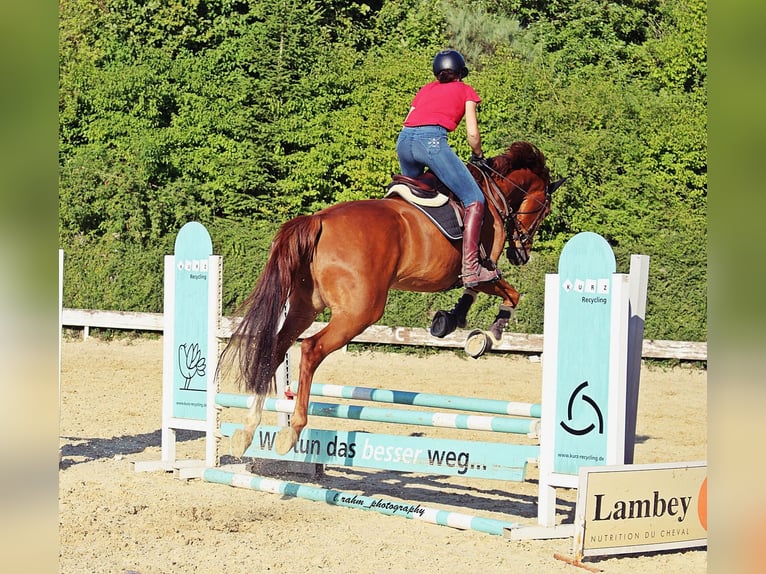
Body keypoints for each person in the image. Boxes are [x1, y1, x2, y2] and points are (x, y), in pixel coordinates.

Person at [396, 49, 500, 288]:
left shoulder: (425, 90)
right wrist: (479, 155)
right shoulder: (466, 90)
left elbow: (409, 119)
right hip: (432, 142)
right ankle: (471, 268)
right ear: (460, 73)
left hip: (403, 141)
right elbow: (472, 134)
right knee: (474, 199)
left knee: (415, 195)